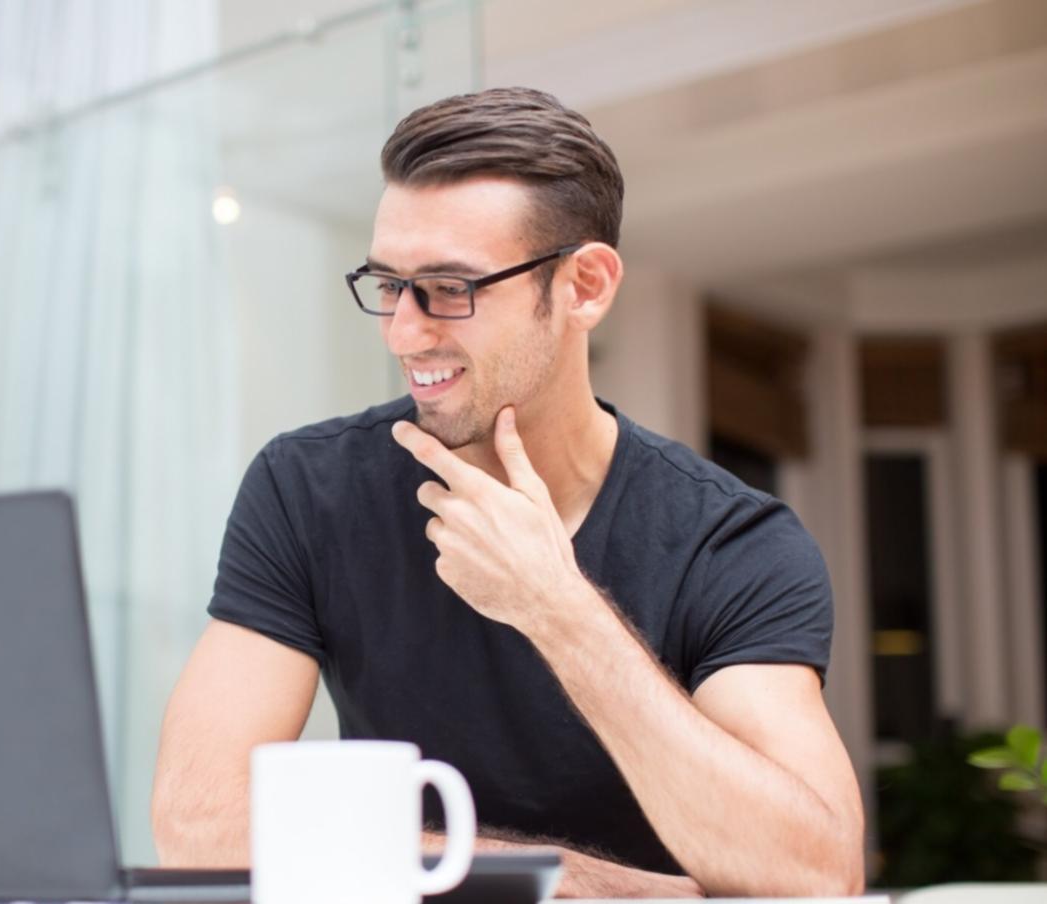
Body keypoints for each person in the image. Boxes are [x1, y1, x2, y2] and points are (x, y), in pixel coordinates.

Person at [150, 87, 865, 899]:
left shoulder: (730, 543)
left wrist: (555, 608)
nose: (404, 331)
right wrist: (554, 879)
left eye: (450, 287)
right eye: (388, 283)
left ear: (584, 287)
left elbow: (813, 876)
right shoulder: (307, 489)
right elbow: (199, 826)